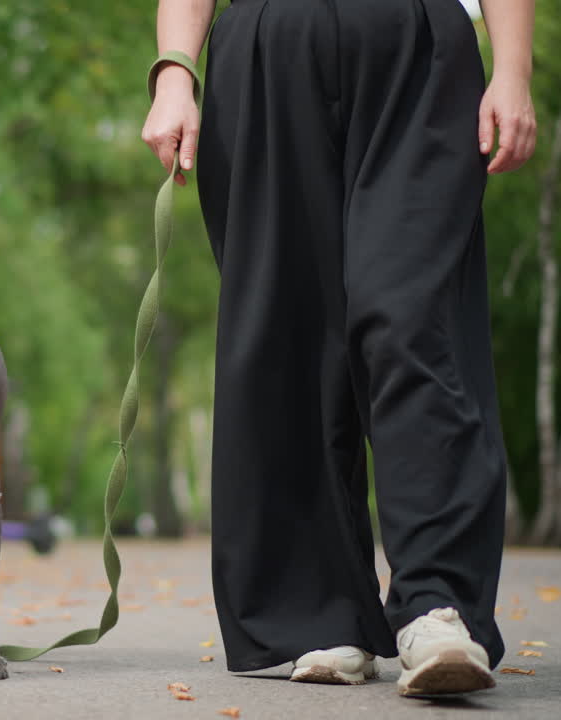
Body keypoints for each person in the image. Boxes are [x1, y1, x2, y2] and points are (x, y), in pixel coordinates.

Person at [142, 0, 536, 697]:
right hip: (267, 44)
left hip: (419, 49)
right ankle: (316, 612)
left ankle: (436, 606)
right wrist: (175, 72)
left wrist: (512, 68)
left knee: (412, 318)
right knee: (287, 334)